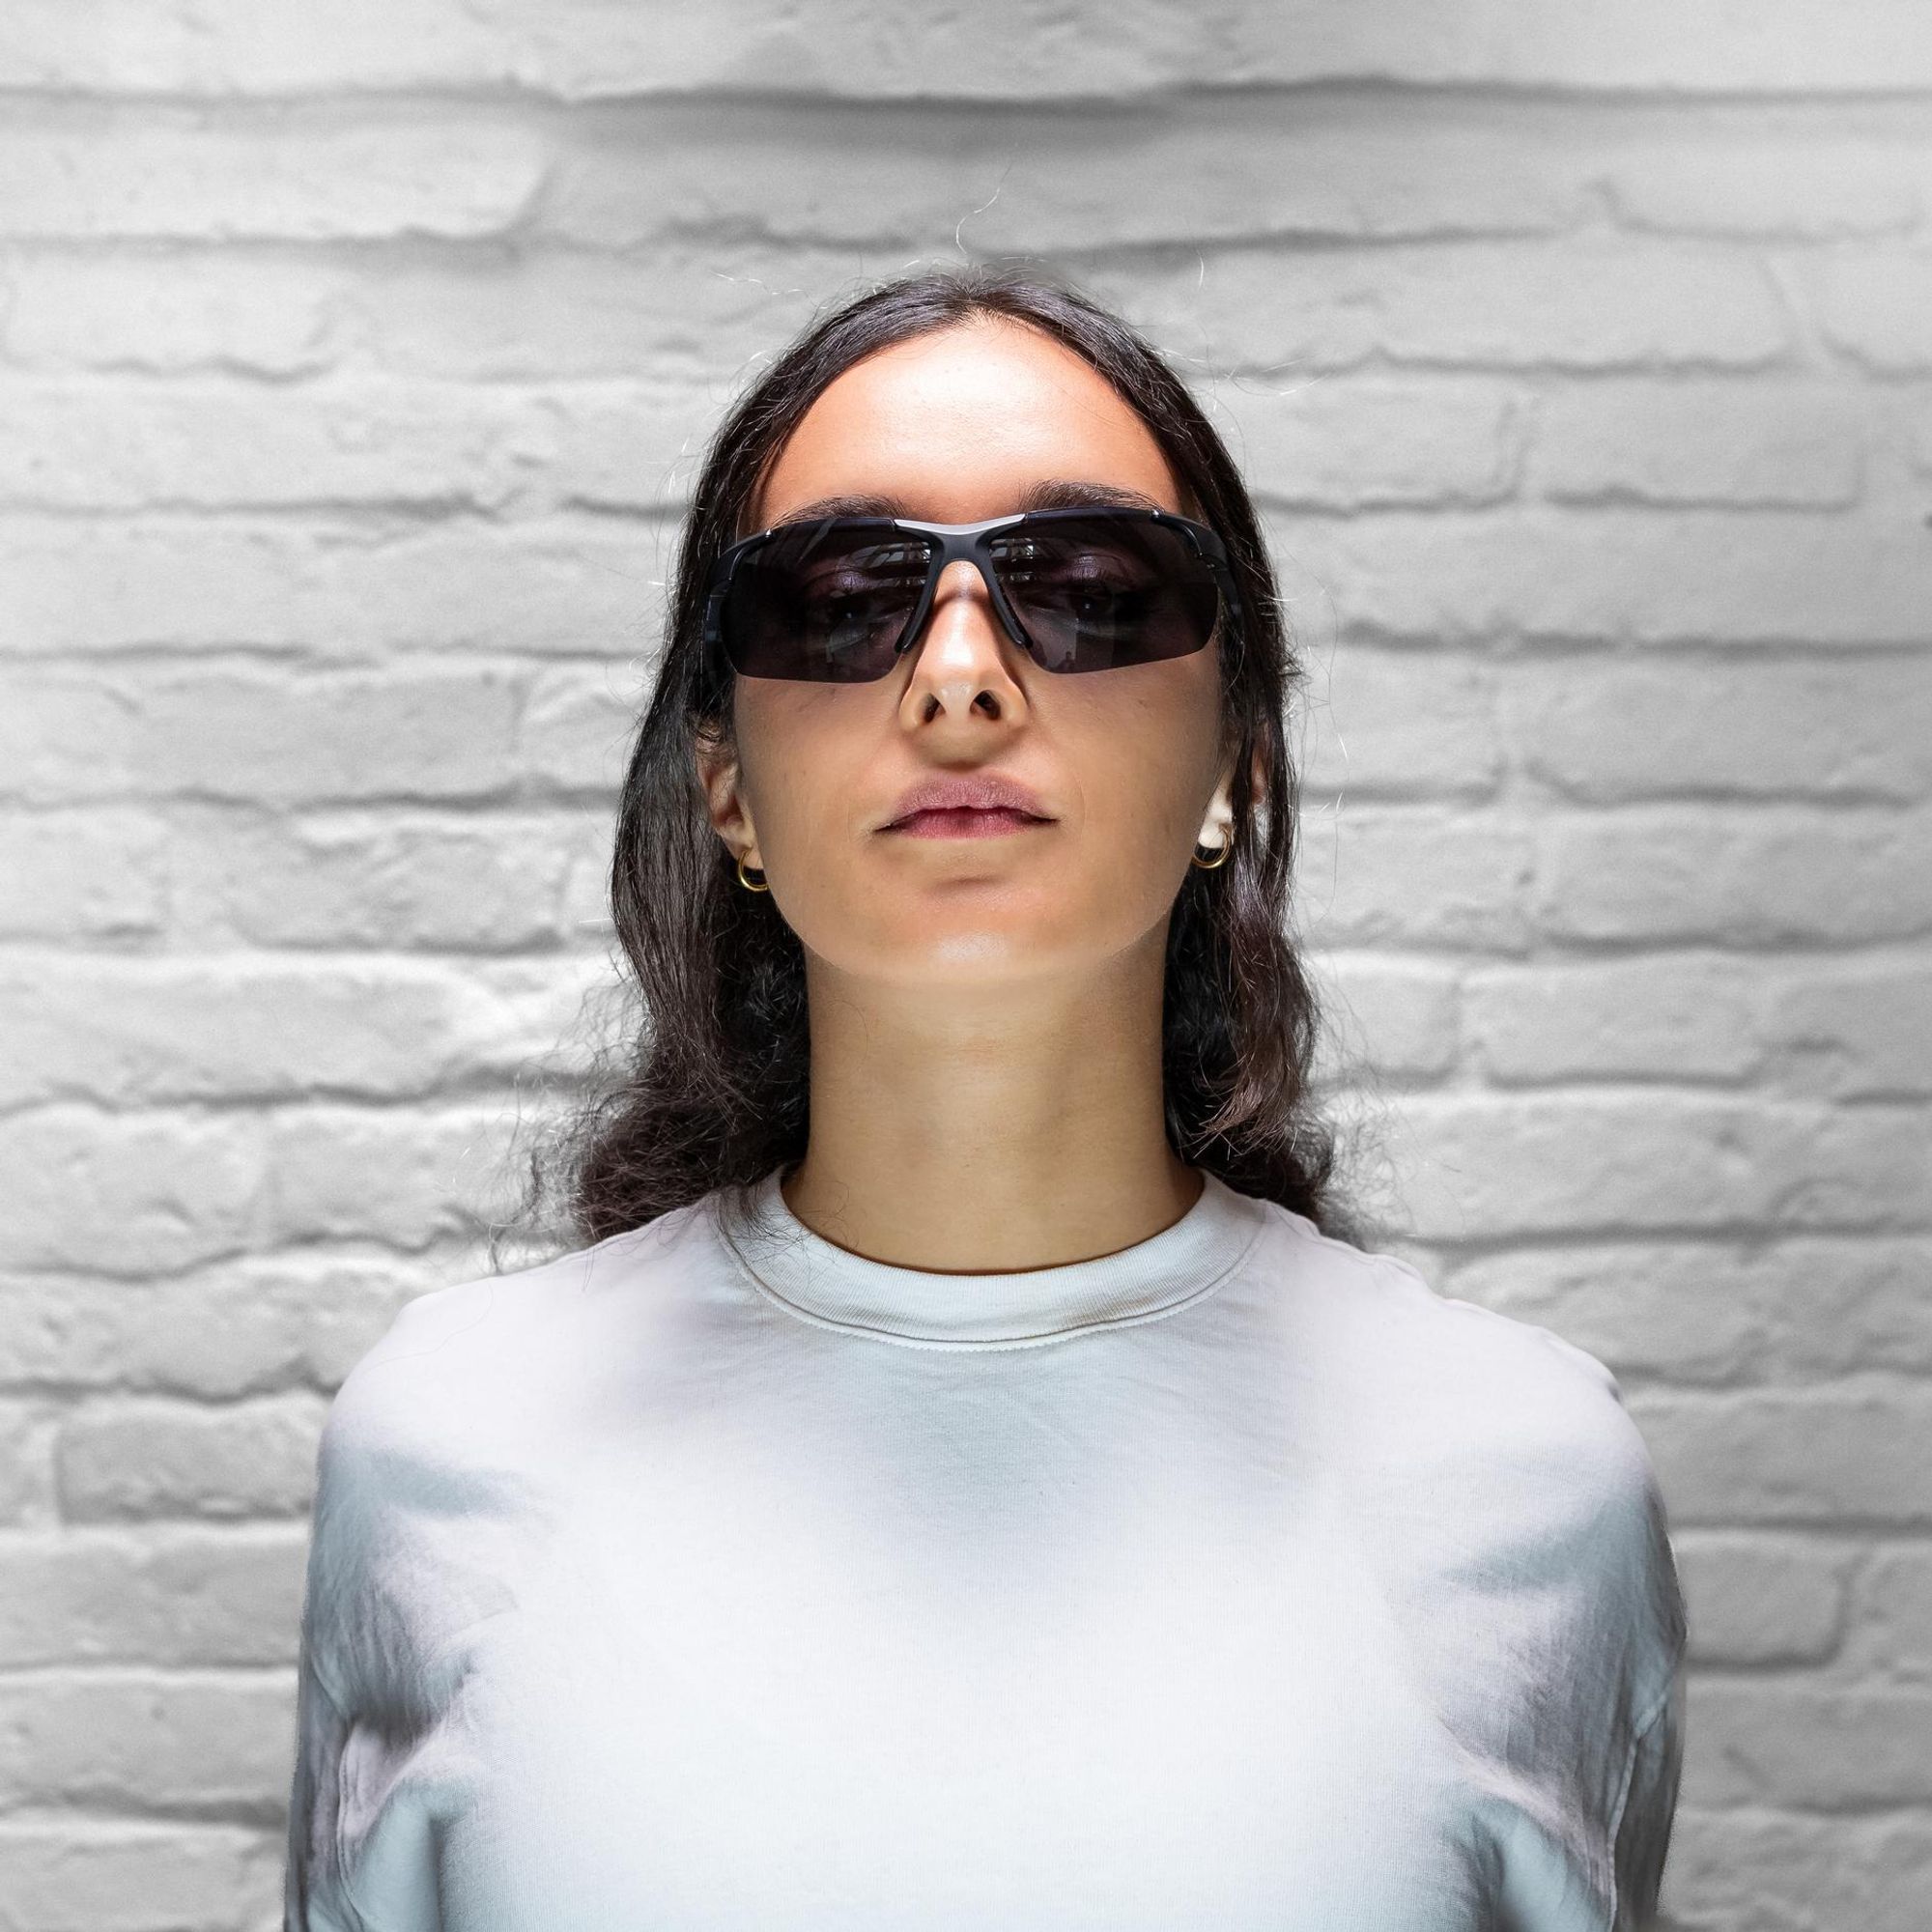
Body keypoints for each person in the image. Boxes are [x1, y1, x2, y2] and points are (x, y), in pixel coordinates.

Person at [283, 266, 1686, 1930]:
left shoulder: (1524, 1479)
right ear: (728, 786)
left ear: (1236, 765)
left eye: (1088, 588)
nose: (960, 677)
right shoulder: (447, 1447)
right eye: (839, 598)